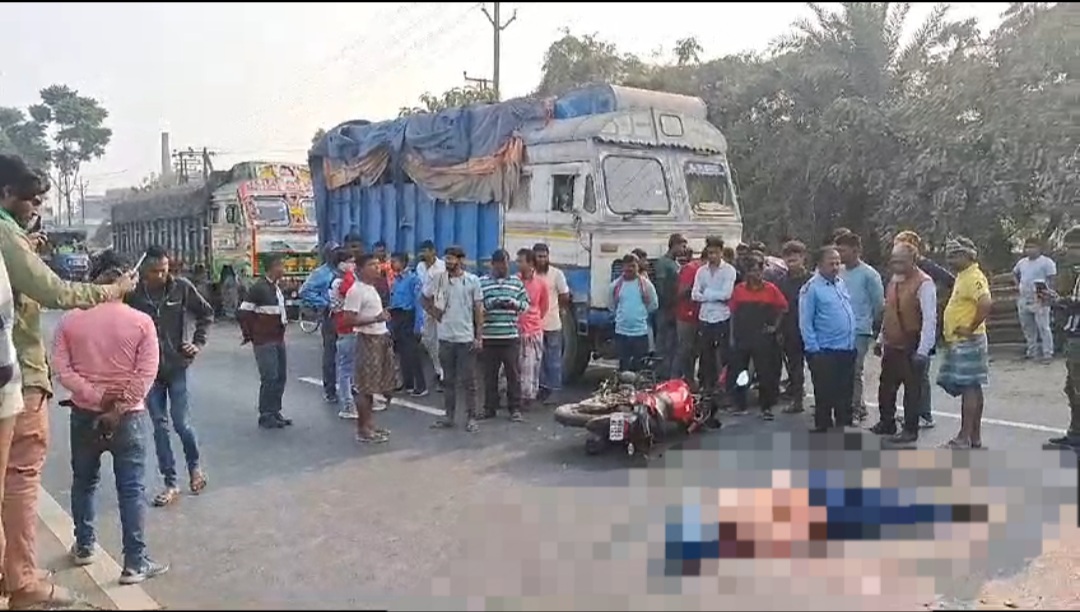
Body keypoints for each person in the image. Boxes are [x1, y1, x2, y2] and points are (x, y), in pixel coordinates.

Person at [0, 155, 136, 609]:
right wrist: (112, 291)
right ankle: (22, 582)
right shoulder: (5, 235)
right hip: (17, 378)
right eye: (32, 200)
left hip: (20, 376)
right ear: (6, 194)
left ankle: (15, 574)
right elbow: (56, 291)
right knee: (20, 478)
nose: (36, 208)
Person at [51, 255, 169, 584]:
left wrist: (94, 395)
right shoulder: (142, 322)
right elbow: (146, 373)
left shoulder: (70, 321)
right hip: (128, 419)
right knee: (131, 489)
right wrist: (119, 406)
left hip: (84, 415)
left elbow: (62, 370)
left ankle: (84, 546)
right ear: (123, 287)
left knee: (84, 483)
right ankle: (134, 563)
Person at [124, 246, 214, 508]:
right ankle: (170, 482)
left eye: (164, 270)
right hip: (148, 372)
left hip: (177, 367)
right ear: (144, 272)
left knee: (181, 423)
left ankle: (195, 468)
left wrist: (197, 343)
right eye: (155, 271)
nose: (161, 275)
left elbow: (206, 314)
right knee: (160, 427)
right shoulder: (132, 294)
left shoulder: (181, 288)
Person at [872, 242, 937, 445]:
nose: (897, 266)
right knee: (886, 386)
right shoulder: (894, 280)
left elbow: (929, 320)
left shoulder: (924, 283)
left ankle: (910, 429)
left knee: (912, 390)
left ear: (913, 260)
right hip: (892, 343)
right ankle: (887, 422)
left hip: (912, 343)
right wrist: (880, 339)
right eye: (894, 261)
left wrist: (923, 351)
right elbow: (889, 312)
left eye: (901, 261)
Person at [893, 230, 953, 429]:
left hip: (922, 326)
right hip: (905, 327)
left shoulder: (926, 269)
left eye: (901, 244)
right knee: (909, 375)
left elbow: (950, 281)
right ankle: (914, 412)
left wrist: (937, 299)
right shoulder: (900, 271)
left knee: (921, 373)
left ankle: (924, 414)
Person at [937, 237, 993, 449]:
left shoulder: (974, 277)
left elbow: (985, 302)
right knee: (973, 386)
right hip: (961, 339)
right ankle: (974, 436)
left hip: (968, 340)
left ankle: (964, 436)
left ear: (968, 255)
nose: (950, 260)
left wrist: (970, 328)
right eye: (949, 255)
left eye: (955, 255)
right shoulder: (963, 276)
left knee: (969, 386)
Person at [424, 246, 484, 432]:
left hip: (465, 337)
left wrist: (479, 336)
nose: (448, 262)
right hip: (445, 337)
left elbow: (478, 309)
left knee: (469, 381)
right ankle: (449, 417)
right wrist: (435, 313)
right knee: (448, 380)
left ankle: (471, 417)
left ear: (461, 260)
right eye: (447, 258)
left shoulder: (472, 281)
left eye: (452, 259)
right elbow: (424, 298)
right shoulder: (439, 279)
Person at [799, 246, 858, 433]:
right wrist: (813, 350)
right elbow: (805, 321)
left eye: (838, 263)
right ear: (819, 265)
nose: (835, 267)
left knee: (845, 392)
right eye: (831, 263)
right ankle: (823, 426)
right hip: (825, 350)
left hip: (846, 348)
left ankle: (843, 425)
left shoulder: (840, 283)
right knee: (825, 392)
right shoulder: (811, 288)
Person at [341, 255, 398, 444]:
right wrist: (375, 319)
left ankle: (370, 425)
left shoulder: (371, 288)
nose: (377, 268)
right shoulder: (356, 290)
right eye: (371, 265)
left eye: (377, 264)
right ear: (360, 269)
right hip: (367, 339)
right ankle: (363, 429)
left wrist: (382, 318)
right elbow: (348, 319)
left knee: (377, 386)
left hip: (380, 337)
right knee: (365, 387)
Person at [727, 255, 788, 419]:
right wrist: (732, 336)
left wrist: (774, 327)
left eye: (759, 271)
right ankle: (740, 404)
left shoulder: (771, 289)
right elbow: (732, 314)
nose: (756, 274)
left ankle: (766, 407)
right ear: (747, 272)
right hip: (742, 336)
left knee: (765, 373)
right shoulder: (739, 290)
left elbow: (783, 308)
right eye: (752, 271)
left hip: (763, 338)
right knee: (740, 372)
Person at [238, 254, 293, 429]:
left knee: (280, 377)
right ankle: (266, 414)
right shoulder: (259, 288)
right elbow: (244, 313)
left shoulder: (276, 288)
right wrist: (252, 334)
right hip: (264, 340)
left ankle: (275, 411)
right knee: (270, 377)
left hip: (278, 338)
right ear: (272, 268)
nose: (283, 270)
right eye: (280, 266)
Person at [835, 232, 885, 422]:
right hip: (838, 330)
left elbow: (879, 305)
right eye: (837, 250)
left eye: (843, 250)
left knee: (854, 370)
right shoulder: (837, 271)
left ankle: (855, 409)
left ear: (856, 250)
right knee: (839, 370)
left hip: (859, 331)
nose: (839, 254)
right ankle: (852, 405)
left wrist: (872, 327)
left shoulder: (869, 275)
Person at [479, 249, 529, 422]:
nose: (504, 267)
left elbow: (526, 305)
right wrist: (492, 303)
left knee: (513, 375)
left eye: (506, 263)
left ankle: (515, 408)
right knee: (489, 375)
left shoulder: (516, 282)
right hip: (490, 335)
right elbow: (477, 306)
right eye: (500, 264)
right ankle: (490, 408)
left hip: (510, 336)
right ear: (493, 265)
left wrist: (514, 304)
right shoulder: (482, 283)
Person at [1045, 225, 1080, 450]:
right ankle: (1075, 434)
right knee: (1072, 388)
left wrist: (1060, 301)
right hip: (1074, 334)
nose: (1067, 252)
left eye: (1071, 248)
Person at [298, 242, 342, 403]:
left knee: (349, 353)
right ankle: (330, 389)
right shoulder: (321, 273)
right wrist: (325, 303)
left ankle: (350, 386)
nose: (336, 255)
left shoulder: (345, 270)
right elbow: (305, 291)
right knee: (330, 354)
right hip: (330, 317)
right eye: (333, 252)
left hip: (347, 317)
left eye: (338, 251)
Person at [692, 240, 737, 391]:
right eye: (710, 253)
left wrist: (706, 293)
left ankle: (723, 386)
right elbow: (695, 294)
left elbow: (727, 295)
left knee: (723, 355)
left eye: (715, 253)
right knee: (705, 355)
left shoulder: (729, 270)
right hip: (704, 317)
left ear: (721, 253)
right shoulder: (701, 271)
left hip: (721, 317)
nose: (712, 256)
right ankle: (707, 386)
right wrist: (714, 295)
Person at [533, 243, 571, 404]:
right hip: (535, 325)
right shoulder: (531, 274)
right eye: (539, 256)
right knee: (538, 360)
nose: (542, 260)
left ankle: (555, 390)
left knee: (553, 360)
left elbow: (564, 295)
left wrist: (560, 310)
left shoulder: (556, 274)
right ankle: (543, 389)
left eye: (544, 256)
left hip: (553, 323)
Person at [777, 240, 811, 413]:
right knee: (794, 367)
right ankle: (797, 400)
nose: (792, 261)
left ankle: (824, 404)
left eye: (795, 258)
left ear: (803, 257)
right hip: (790, 330)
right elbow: (778, 308)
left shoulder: (812, 280)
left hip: (812, 331)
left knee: (818, 368)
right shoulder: (781, 282)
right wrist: (778, 330)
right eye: (788, 258)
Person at [610, 254, 659, 372]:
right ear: (623, 267)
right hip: (621, 333)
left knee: (639, 367)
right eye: (627, 266)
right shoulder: (615, 285)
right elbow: (611, 305)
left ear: (638, 267)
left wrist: (641, 314)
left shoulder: (646, 285)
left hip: (640, 333)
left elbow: (654, 305)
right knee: (623, 367)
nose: (629, 269)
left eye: (633, 266)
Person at [388, 252, 427, 397]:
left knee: (412, 353)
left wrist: (418, 324)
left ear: (403, 262)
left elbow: (418, 303)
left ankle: (421, 385)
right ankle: (408, 383)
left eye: (395, 261)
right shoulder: (396, 279)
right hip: (397, 316)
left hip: (408, 316)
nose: (392, 264)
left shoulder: (413, 279)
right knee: (402, 353)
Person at [1013, 237, 1057, 363]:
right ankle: (1031, 351)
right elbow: (1015, 273)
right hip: (1024, 297)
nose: (1029, 250)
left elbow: (1052, 279)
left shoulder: (1046, 262)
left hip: (1040, 297)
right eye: (1027, 247)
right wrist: (1017, 285)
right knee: (1027, 327)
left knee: (1043, 327)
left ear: (1039, 248)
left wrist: (1049, 293)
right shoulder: (1022, 263)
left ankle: (1047, 353)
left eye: (1032, 247)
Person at [328, 248, 359, 419]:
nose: (353, 265)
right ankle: (347, 404)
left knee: (350, 367)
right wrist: (349, 275)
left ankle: (351, 400)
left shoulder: (346, 279)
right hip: (346, 328)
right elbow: (349, 292)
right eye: (350, 262)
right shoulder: (340, 282)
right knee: (346, 369)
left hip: (351, 328)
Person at [516, 248, 549, 408]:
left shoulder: (540, 283)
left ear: (530, 263)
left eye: (521, 261)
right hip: (516, 329)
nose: (518, 264)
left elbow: (543, 306)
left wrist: (533, 319)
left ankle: (527, 397)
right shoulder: (515, 281)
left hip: (533, 330)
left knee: (531, 365)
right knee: (515, 365)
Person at [654, 234, 687, 379]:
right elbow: (661, 286)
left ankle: (671, 374)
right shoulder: (663, 263)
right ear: (674, 245)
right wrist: (668, 303)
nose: (684, 250)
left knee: (673, 343)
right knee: (663, 343)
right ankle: (661, 373)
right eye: (682, 246)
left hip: (675, 308)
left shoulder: (675, 263)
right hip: (665, 309)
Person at [416, 240, 446, 391]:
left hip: (440, 306)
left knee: (441, 340)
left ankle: (443, 374)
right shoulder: (420, 267)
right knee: (428, 340)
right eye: (422, 251)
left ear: (433, 251)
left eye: (426, 251)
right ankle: (437, 368)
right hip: (426, 306)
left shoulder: (442, 266)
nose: (423, 254)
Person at [675, 246, 707, 382]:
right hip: (686, 315)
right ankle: (676, 379)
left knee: (695, 351)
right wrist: (696, 289)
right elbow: (681, 292)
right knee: (685, 350)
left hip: (701, 315)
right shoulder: (692, 269)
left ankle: (691, 380)